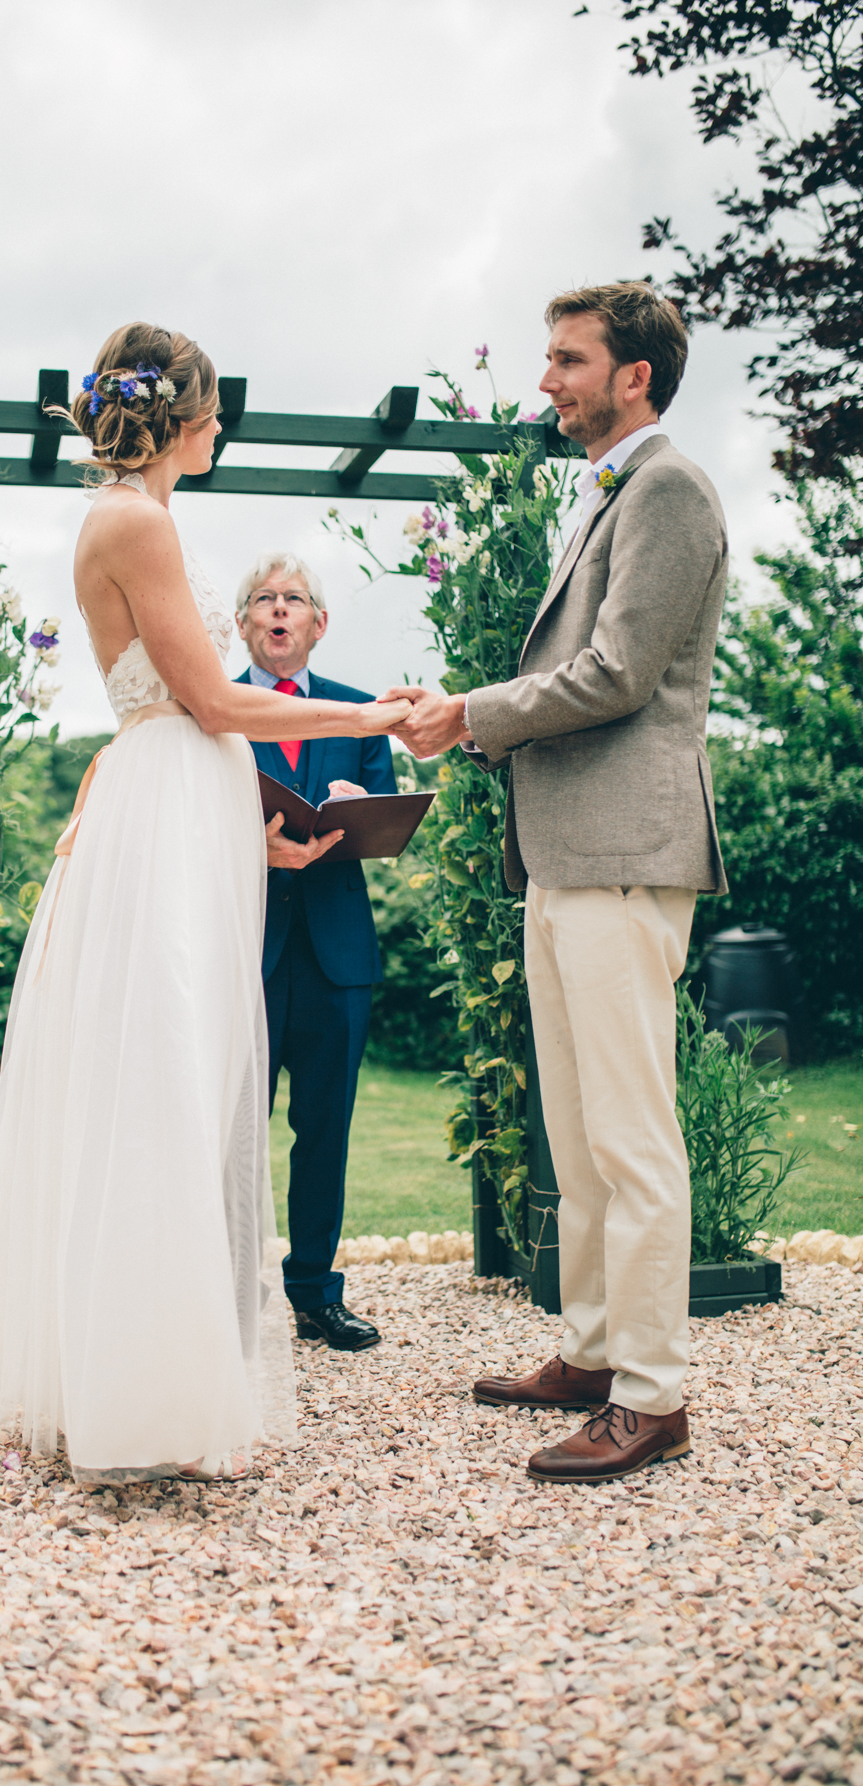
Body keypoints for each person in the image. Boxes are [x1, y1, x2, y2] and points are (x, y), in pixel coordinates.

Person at [0, 322, 408, 1487]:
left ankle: (147, 1362)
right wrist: (372, 719)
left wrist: (244, 821)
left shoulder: (143, 516)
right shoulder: (135, 519)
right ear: (179, 416)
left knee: (181, 1078)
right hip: (163, 811)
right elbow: (207, 700)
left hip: (182, 811)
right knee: (160, 1078)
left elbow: (176, 713)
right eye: (213, 413)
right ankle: (142, 1395)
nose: (221, 430)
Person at [383, 282, 728, 1485]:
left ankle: (652, 1395)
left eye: (567, 360)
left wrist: (469, 716)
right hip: (570, 858)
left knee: (632, 1137)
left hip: (628, 859)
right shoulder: (611, 494)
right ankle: (591, 1354)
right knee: (579, 1135)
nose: (548, 381)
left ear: (634, 374)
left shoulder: (671, 490)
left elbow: (620, 673)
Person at [234, 554, 396, 1352]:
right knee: (234, 1134)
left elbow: (382, 812)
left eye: (293, 598)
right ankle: (228, 1295)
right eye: (263, 599)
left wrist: (358, 811)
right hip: (244, 953)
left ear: (318, 623)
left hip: (337, 956)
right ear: (242, 623)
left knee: (324, 1131)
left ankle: (315, 1295)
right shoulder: (218, 712)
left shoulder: (359, 713)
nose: (278, 610)